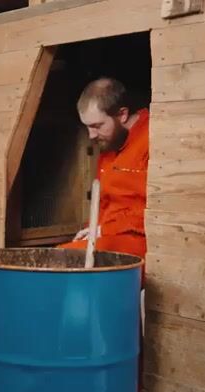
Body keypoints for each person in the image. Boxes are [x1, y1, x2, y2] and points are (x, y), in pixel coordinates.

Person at [58, 77, 149, 264]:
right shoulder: (110, 144)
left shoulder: (154, 138)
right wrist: (92, 229)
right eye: (87, 127)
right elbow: (104, 204)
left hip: (144, 240)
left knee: (65, 260)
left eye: (97, 126)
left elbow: (160, 212)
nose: (91, 135)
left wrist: (104, 230)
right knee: (60, 256)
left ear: (122, 114)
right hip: (109, 234)